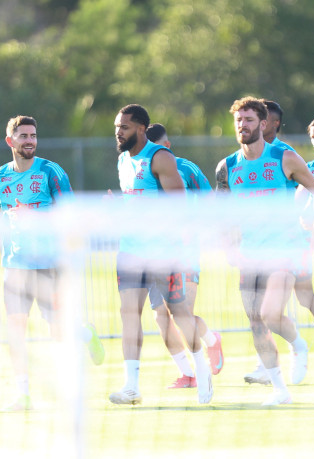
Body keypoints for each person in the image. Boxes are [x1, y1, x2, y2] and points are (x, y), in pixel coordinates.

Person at [0, 115, 105, 411]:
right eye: (23, 136)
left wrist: (34, 217)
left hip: (49, 263)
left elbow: (70, 214)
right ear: (10, 141)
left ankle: (84, 333)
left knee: (57, 329)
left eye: (33, 135)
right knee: (15, 329)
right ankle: (22, 394)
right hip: (14, 265)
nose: (30, 141)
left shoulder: (51, 172)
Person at [215, 96, 314, 405]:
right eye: (238, 121)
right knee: (256, 322)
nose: (242, 126)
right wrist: (228, 247)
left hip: (284, 251)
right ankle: (280, 389)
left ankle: (298, 344)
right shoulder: (227, 167)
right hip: (250, 255)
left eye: (248, 120)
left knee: (270, 314)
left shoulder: (284, 157)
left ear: (262, 124)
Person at [109, 104, 213, 405]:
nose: (118, 132)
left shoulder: (160, 157)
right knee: (128, 313)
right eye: (117, 127)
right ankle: (132, 386)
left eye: (124, 127)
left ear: (141, 129)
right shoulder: (122, 162)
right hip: (130, 250)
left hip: (162, 251)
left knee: (179, 314)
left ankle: (201, 368)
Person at [242, 101, 314, 385]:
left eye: (263, 120)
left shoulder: (284, 156)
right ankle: (271, 359)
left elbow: (310, 194)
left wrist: (313, 230)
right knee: (283, 302)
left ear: (272, 124)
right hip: (268, 246)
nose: (254, 125)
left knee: (301, 298)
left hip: (290, 244)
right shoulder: (245, 158)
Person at [144, 123, 224, 389]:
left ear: (165, 148)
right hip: (153, 255)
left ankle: (211, 340)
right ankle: (187, 374)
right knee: (160, 317)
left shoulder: (187, 169)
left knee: (183, 313)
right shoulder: (136, 170)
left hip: (185, 251)